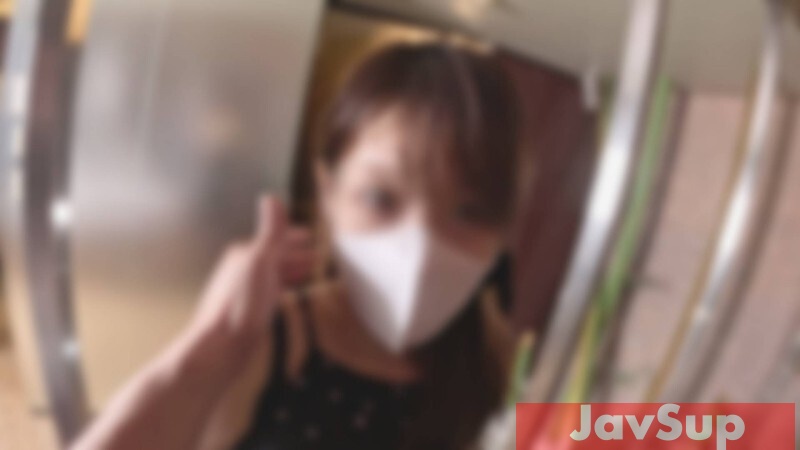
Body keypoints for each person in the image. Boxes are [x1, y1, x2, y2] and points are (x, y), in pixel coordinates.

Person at [73, 42, 521, 450]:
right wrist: (212, 342)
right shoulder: (267, 346)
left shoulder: (491, 351)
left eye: (470, 212)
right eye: (380, 198)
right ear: (329, 193)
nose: (421, 253)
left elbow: (560, 435)